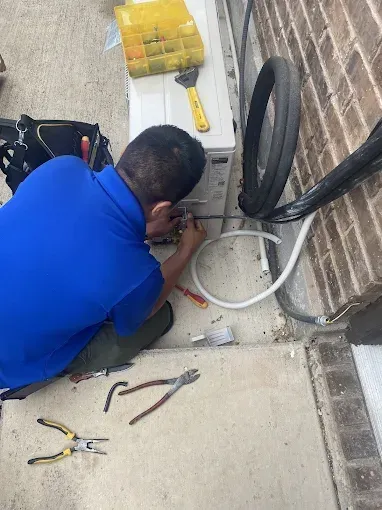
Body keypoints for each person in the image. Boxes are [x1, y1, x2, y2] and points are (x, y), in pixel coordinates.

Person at [0, 125, 207, 389]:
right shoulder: (138, 274)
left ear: (124, 152)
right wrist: (184, 251)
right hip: (9, 368)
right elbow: (140, 314)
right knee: (158, 317)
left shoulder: (63, 167)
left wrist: (139, 226)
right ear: (162, 209)